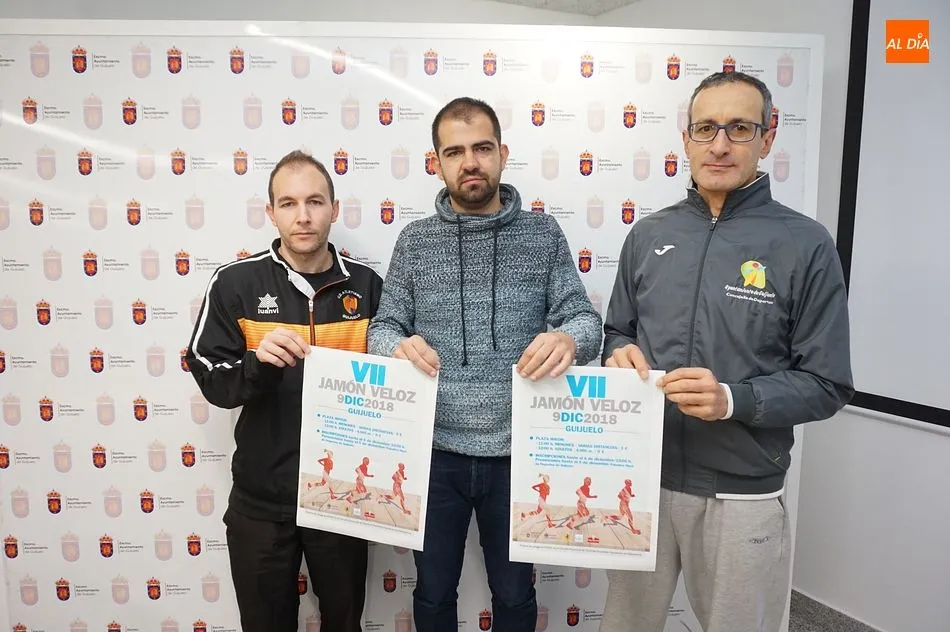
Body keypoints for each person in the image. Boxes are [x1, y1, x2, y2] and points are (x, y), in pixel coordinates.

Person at [599, 71, 853, 632]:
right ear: (684, 138)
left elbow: (827, 382)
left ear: (768, 136)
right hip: (640, 481)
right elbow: (616, 331)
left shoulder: (804, 244)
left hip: (743, 494)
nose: (719, 145)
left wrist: (732, 401)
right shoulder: (647, 235)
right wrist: (618, 352)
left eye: (739, 128)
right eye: (706, 128)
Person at [368, 97, 602, 632]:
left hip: (520, 452)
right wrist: (394, 349)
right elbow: (383, 329)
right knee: (431, 594)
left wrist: (568, 338)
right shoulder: (415, 240)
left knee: (516, 594)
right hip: (432, 453)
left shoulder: (543, 236)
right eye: (454, 151)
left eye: (481, 148)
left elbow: (587, 323)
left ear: (502, 153)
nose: (469, 162)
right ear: (437, 163)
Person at [185, 149, 382, 632]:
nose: (304, 216)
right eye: (289, 203)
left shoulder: (371, 286)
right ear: (270, 213)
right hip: (261, 499)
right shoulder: (236, 282)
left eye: (315, 202)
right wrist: (257, 365)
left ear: (335, 210)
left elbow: (396, 389)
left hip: (342, 500)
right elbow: (212, 378)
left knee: (344, 622)